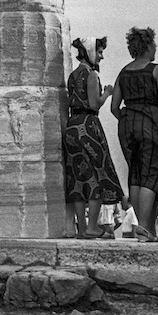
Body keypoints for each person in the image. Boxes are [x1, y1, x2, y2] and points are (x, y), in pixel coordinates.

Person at [110, 26, 158, 242]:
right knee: (152, 174)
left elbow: (114, 107)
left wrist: (130, 119)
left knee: (136, 172)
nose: (155, 48)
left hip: (127, 125)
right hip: (150, 122)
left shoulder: (123, 72)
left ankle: (142, 227)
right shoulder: (156, 70)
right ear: (147, 46)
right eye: (154, 44)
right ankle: (145, 227)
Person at [62, 36, 123, 239]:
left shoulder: (72, 75)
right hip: (88, 126)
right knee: (97, 174)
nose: (101, 56)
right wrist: (107, 93)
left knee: (78, 176)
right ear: (90, 52)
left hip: (72, 126)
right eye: (99, 52)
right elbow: (95, 104)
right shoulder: (91, 75)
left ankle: (81, 228)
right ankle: (92, 227)